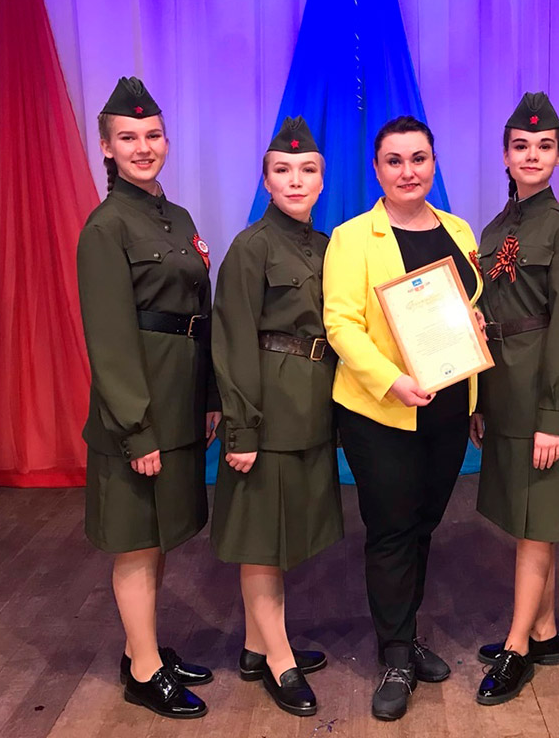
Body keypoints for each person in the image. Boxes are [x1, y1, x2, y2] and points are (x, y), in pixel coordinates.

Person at [322, 115, 482, 722]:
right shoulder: (351, 238)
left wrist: (475, 328)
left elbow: (470, 307)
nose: (408, 171)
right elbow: (341, 324)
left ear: (434, 163)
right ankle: (393, 655)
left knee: (423, 525)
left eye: (419, 159)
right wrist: (392, 380)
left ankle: (406, 634)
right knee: (391, 529)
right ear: (377, 169)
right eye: (395, 161)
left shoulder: (459, 230)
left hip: (447, 406)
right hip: (382, 410)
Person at [76, 77, 221, 719]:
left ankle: (147, 647)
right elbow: (109, 339)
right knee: (137, 541)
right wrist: (136, 429)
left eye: (153, 135)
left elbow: (199, 313)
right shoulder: (106, 227)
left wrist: (209, 393)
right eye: (128, 137)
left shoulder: (177, 218)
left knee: (160, 535)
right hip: (136, 409)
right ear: (106, 148)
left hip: (179, 399)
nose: (144, 147)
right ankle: (142, 671)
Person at [210, 116, 341, 717]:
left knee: (282, 532)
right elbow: (233, 340)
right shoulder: (251, 246)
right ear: (266, 180)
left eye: (307, 170)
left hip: (312, 406)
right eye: (283, 170)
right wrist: (241, 426)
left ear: (321, 180)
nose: (295, 180)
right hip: (267, 409)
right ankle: (281, 660)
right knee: (262, 540)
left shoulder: (329, 247)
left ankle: (254, 646)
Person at [469, 92, 559, 705]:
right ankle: (544, 631)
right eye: (521, 146)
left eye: (545, 147)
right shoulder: (495, 230)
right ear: (506, 155)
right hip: (505, 392)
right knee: (527, 521)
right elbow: (486, 317)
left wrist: (553, 417)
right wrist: (481, 402)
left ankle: (516, 646)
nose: (533, 155)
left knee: (535, 525)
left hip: (543, 393)